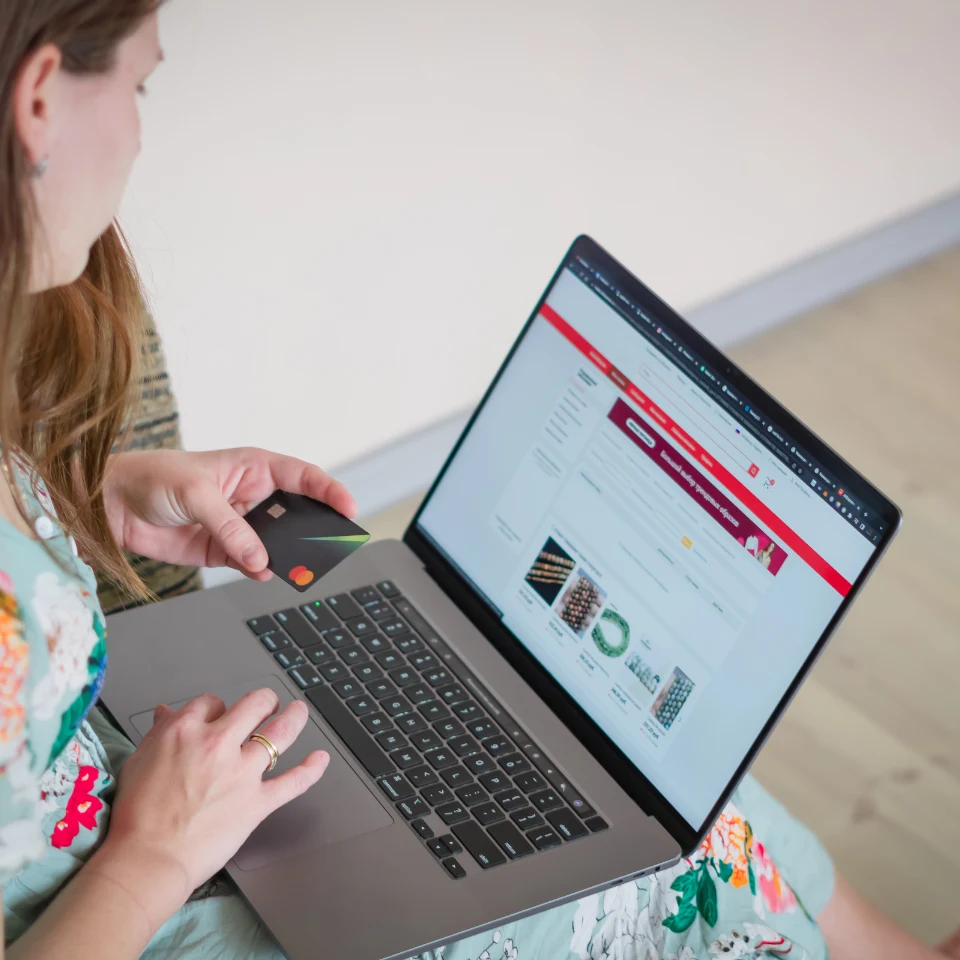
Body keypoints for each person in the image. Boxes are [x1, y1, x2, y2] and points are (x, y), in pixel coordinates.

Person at [0, 3, 951, 958]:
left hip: (154, 798)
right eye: (140, 84)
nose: (136, 130)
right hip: (135, 899)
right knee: (666, 843)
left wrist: (101, 497)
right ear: (41, 96)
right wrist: (151, 856)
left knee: (645, 776)